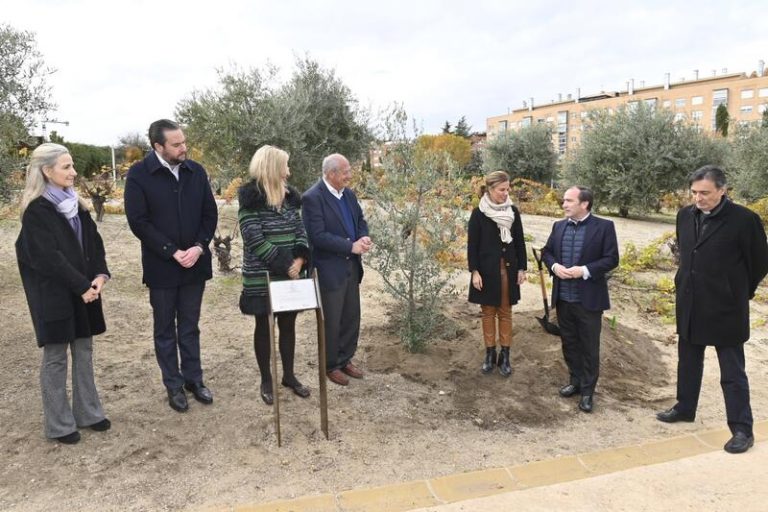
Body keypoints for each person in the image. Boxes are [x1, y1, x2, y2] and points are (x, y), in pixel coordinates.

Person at [656, 165, 768, 454]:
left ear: (722, 190)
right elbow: (686, 253)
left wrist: (739, 290)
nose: (698, 198)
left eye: (704, 193)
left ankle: (742, 429)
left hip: (726, 307)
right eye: (694, 192)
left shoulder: (745, 220)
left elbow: (759, 262)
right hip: (691, 302)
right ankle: (685, 407)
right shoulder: (684, 215)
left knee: (732, 372)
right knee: (688, 361)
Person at [16, 143, 111, 444]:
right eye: (66, 167)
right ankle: (59, 424)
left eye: (72, 166)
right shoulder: (37, 212)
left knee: (84, 351)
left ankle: (88, 413)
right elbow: (48, 257)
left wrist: (98, 276)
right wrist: (81, 286)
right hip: (55, 294)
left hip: (86, 291)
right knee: (56, 357)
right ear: (47, 171)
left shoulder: (77, 206)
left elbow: (94, 245)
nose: (73, 172)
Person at [124, 119, 218, 413]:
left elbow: (209, 214)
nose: (183, 148)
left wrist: (198, 246)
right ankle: (173, 385)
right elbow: (138, 221)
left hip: (195, 264)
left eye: (184, 142)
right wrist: (171, 251)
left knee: (190, 326)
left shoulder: (196, 171)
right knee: (165, 329)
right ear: (158, 147)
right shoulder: (139, 175)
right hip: (162, 267)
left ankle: (194, 379)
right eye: (176, 144)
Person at [238, 145, 311, 405]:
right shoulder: (250, 201)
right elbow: (255, 239)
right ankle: (266, 379)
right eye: (285, 166)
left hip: (290, 276)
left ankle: (289, 375)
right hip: (262, 277)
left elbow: (301, 231)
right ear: (272, 168)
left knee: (288, 325)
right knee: (264, 327)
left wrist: (301, 259)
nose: (289, 172)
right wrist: (285, 264)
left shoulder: (291, 198)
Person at [541, 186, 619, 413]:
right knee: (569, 343)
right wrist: (554, 266)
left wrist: (584, 270)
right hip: (563, 299)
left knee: (589, 348)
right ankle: (575, 382)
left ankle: (587, 392)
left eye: (568, 201)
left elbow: (612, 259)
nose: (563, 205)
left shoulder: (604, 227)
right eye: (563, 201)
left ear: (584, 204)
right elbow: (547, 252)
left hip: (589, 301)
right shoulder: (558, 226)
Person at [302, 153, 371, 386]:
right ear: (331, 174)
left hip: (351, 265)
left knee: (351, 316)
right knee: (331, 320)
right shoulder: (313, 198)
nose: (349, 176)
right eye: (345, 172)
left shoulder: (349, 195)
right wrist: (350, 246)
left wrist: (363, 236)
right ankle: (330, 365)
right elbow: (318, 236)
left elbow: (360, 219)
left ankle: (345, 358)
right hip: (328, 270)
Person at [467, 171, 527, 377]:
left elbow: (519, 242)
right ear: (491, 190)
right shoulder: (479, 213)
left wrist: (522, 269)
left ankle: (506, 356)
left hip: (508, 272)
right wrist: (474, 271)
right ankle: (490, 354)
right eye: (502, 189)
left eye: (507, 189)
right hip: (486, 272)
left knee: (505, 313)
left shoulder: (513, 212)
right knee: (488, 313)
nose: (506, 193)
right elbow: (472, 246)